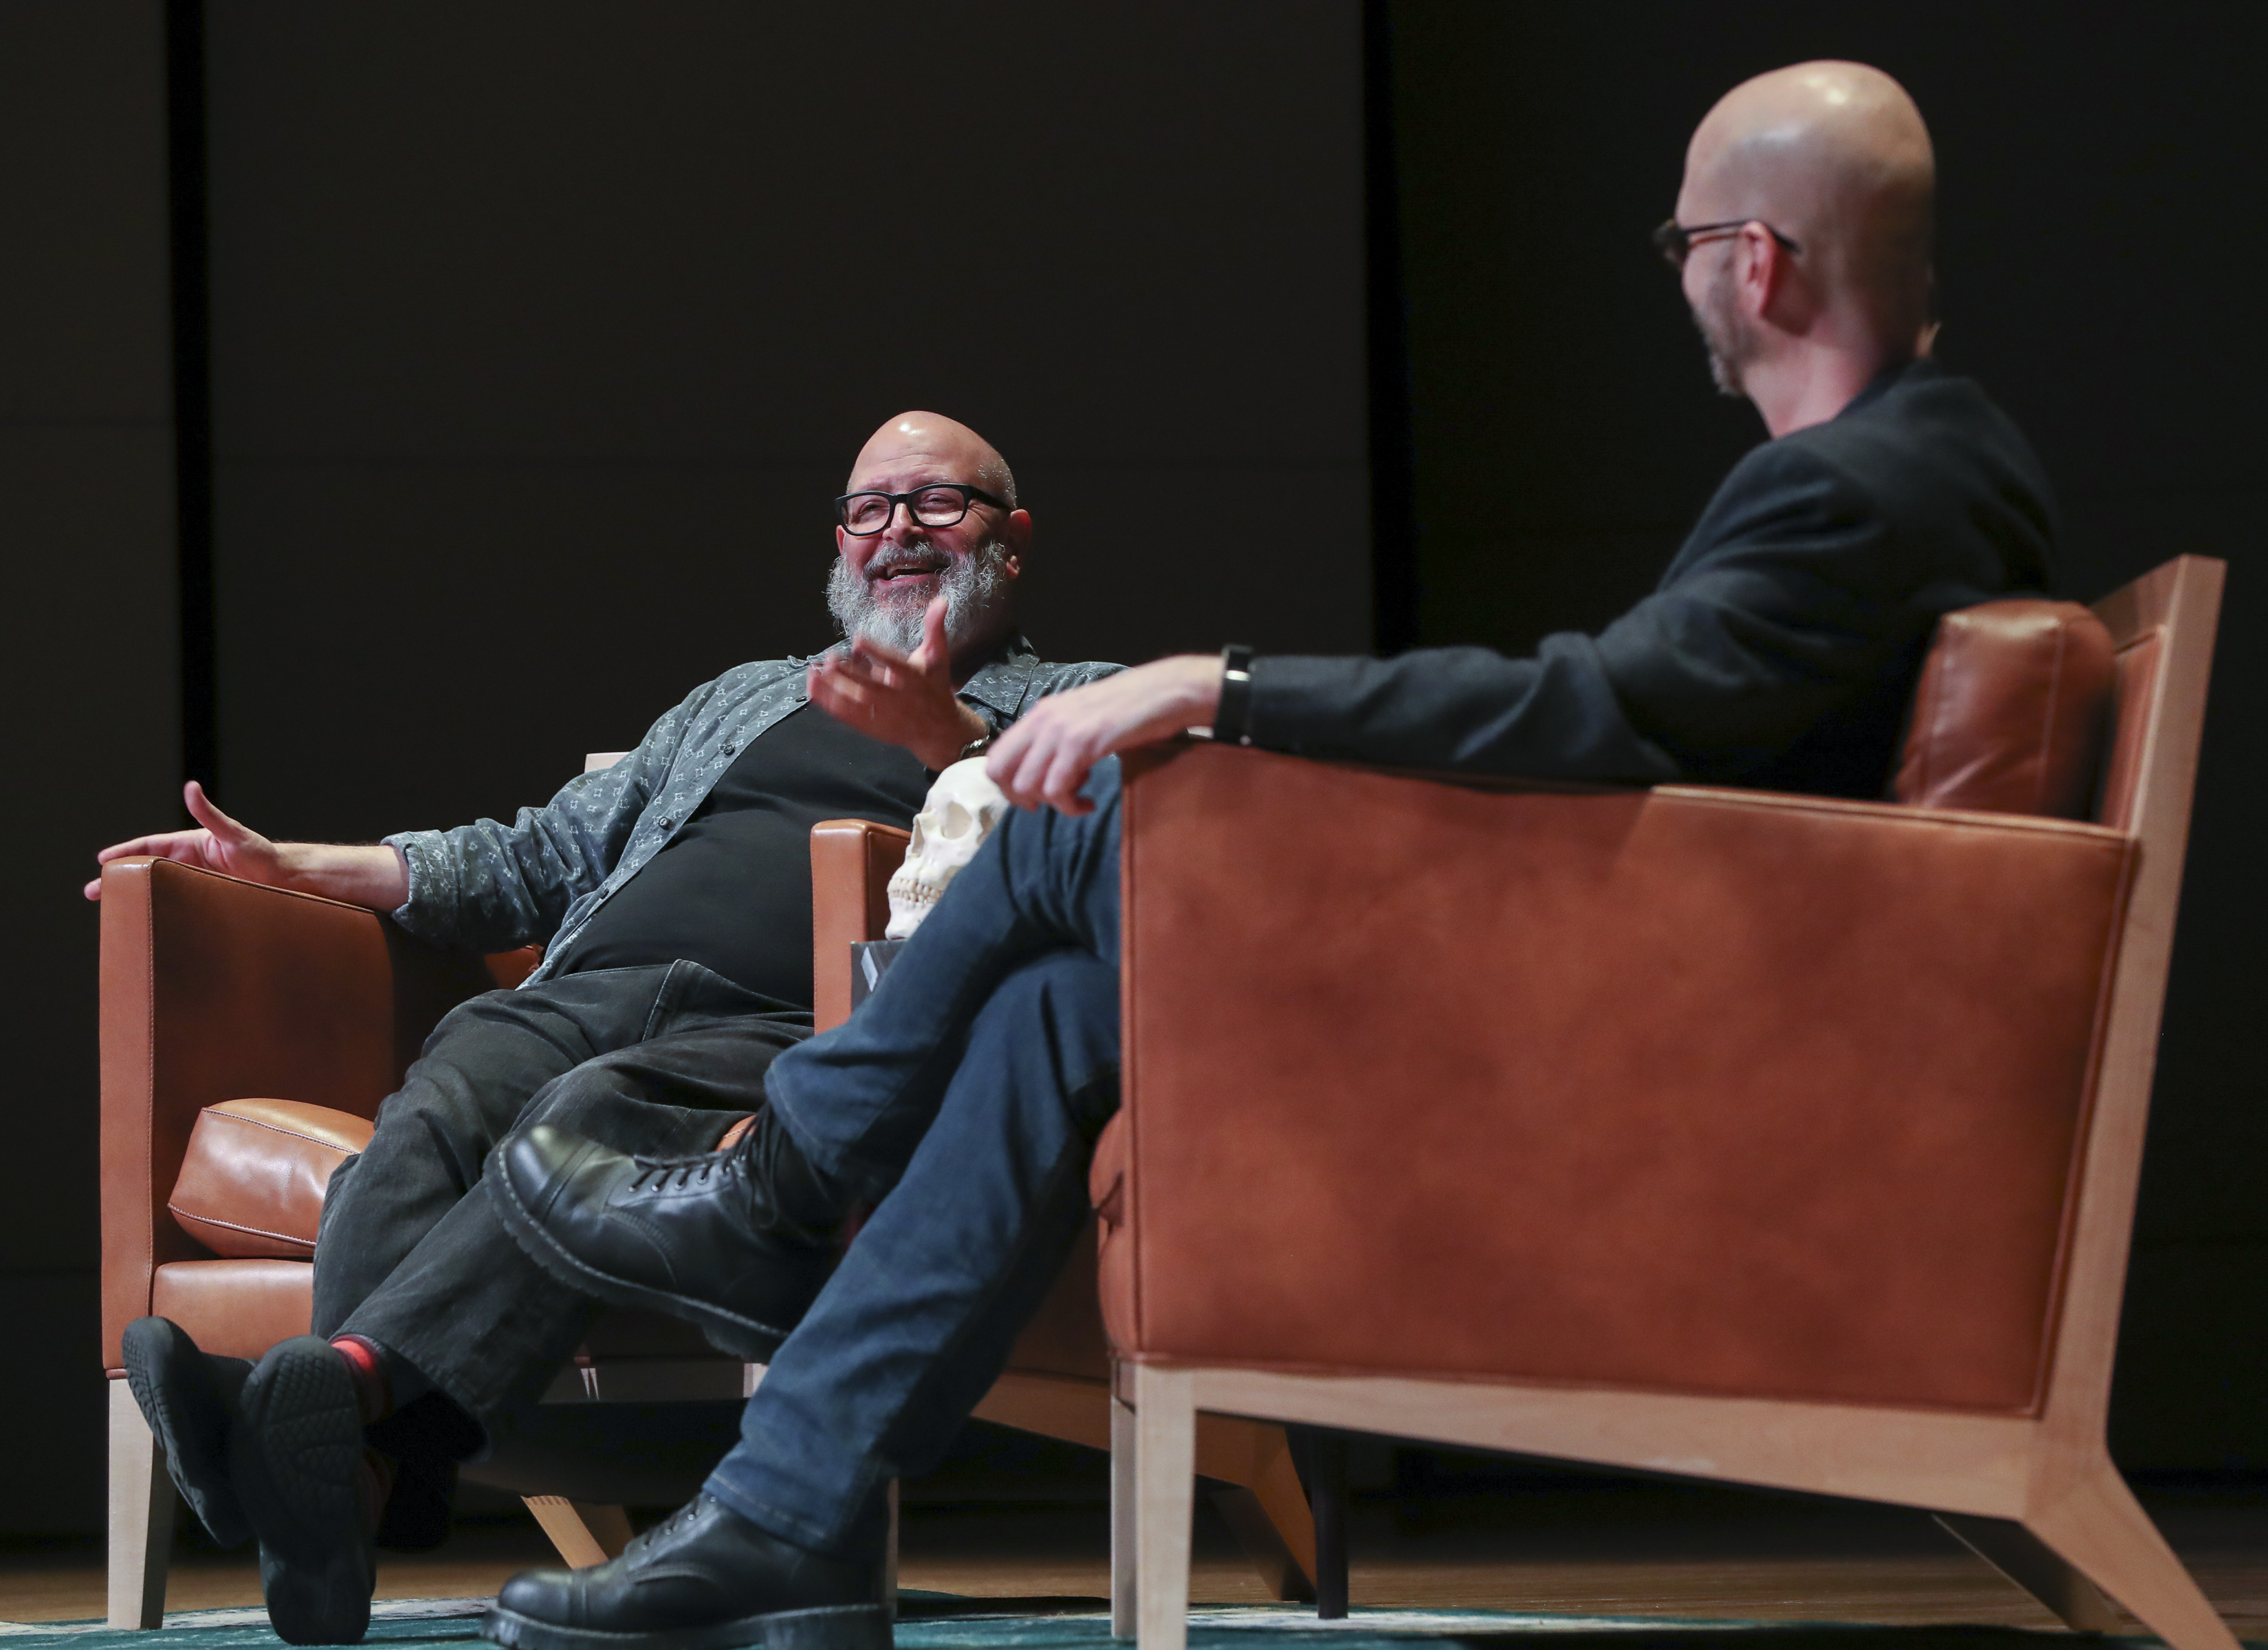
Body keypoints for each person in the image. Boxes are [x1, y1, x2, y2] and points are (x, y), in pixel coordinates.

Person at [481, 60, 2065, 1650]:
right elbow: (1644, 725)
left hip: (1633, 1044)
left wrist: (1212, 686)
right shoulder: (1930, 468)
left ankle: (780, 1175)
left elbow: (1600, 707)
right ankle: (786, 1518)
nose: (1692, 284)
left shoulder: (1858, 488)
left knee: (1098, 807)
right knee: (1055, 1012)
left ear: (1759, 261)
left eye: (1687, 247)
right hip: (1650, 969)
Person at [95, 412, 1119, 1646]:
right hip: (581, 989)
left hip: (797, 1023)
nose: (897, 530)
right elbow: (533, 856)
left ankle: (333, 1438)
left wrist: (955, 746)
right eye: (869, 508)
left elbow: (1095, 846)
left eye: (937, 504)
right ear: (839, 544)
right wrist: (283, 864)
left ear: (1012, 540)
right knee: (441, 1100)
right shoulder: (743, 697)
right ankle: (353, 1473)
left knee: (585, 1120)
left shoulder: (1076, 702)